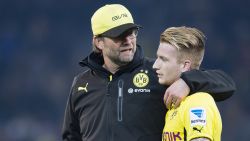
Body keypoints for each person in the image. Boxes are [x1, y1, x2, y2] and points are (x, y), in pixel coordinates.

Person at [62, 4, 235, 141]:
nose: (128, 41)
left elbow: (226, 84)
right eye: (119, 36)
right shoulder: (81, 84)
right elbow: (71, 136)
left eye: (131, 33)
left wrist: (187, 81)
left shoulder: (158, 73)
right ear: (99, 42)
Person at [153, 26, 224, 141]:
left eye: (164, 59)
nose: (155, 65)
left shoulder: (198, 101)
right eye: (157, 58)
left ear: (185, 65)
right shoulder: (179, 102)